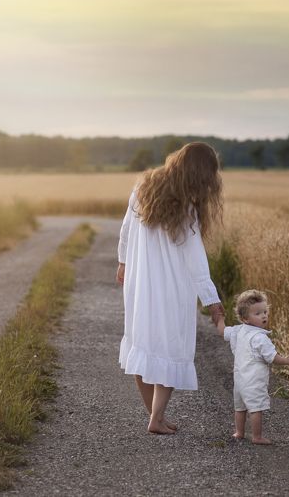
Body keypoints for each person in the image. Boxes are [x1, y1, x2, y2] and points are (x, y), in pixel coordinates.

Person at [116, 142, 226, 435]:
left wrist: (124, 262)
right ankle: (157, 417)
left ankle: (155, 416)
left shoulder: (142, 190)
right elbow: (196, 260)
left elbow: (126, 229)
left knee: (142, 343)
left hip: (141, 282)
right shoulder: (187, 208)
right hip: (172, 287)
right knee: (170, 346)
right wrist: (212, 301)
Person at [216, 289, 289, 444]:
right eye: (258, 313)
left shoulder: (237, 331)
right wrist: (287, 360)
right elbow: (273, 357)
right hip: (254, 381)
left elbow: (222, 331)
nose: (264, 315)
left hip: (239, 380)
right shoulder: (260, 338)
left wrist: (219, 318)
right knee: (255, 408)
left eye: (265, 311)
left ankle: (239, 432)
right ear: (245, 318)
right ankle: (257, 436)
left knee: (240, 407)